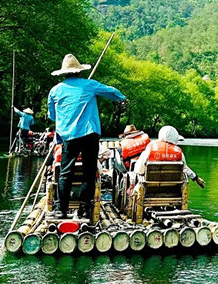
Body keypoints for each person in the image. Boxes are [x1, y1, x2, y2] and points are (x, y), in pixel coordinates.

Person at [47, 53, 126, 218]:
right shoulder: (89, 85)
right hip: (89, 134)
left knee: (65, 173)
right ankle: (84, 210)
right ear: (79, 71)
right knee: (88, 173)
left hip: (68, 135)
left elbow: (52, 116)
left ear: (64, 73)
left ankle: (61, 209)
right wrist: (122, 98)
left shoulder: (55, 91)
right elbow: (112, 92)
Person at [133, 125, 205, 188]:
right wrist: (196, 178)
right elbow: (185, 168)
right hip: (173, 189)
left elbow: (138, 170)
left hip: (150, 188)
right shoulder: (179, 153)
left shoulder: (150, 149)